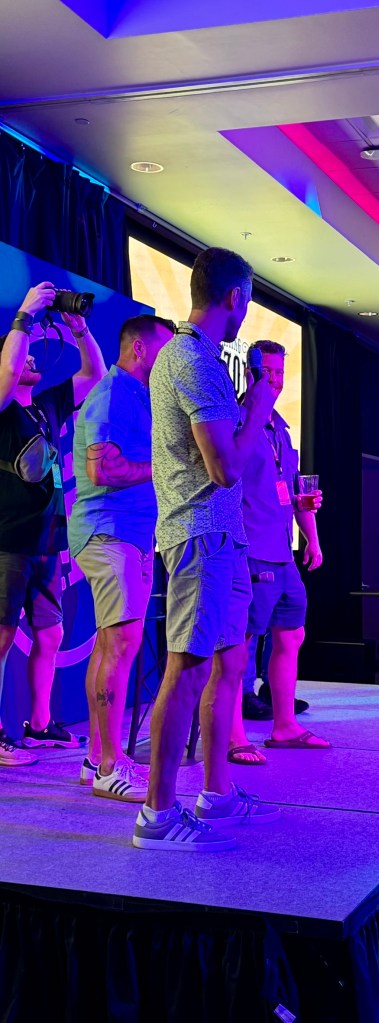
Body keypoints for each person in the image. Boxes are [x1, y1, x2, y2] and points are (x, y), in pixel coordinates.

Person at [133, 247, 280, 853]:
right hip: (200, 533)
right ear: (234, 297)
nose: (245, 314)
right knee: (187, 668)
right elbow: (224, 469)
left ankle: (216, 794)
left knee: (228, 664)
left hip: (223, 535)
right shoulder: (191, 358)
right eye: (248, 302)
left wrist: (246, 410)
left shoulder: (199, 358)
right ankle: (157, 814)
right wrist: (259, 408)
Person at [0, 282, 106, 767]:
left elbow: (95, 374)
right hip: (8, 540)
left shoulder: (45, 405)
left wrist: (80, 329)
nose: (30, 358)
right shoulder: (3, 407)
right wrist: (25, 315)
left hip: (47, 542)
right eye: (21, 353)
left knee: (49, 635)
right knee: (2, 637)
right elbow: (7, 371)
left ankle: (39, 725)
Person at [68, 314, 175, 800]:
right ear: (139, 350)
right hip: (108, 532)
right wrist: (164, 466)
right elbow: (103, 470)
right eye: (164, 351)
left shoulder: (137, 395)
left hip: (128, 534)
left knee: (111, 644)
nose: (170, 361)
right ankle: (111, 766)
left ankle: (96, 758)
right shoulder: (113, 393)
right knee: (121, 644)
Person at [227, 340, 330, 765]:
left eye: (280, 372)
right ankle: (233, 735)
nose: (275, 379)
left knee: (292, 634)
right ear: (250, 373)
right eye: (267, 371)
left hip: (283, 553)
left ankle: (284, 726)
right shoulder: (236, 420)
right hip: (250, 549)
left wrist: (312, 538)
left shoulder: (282, 429)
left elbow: (292, 491)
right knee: (241, 643)